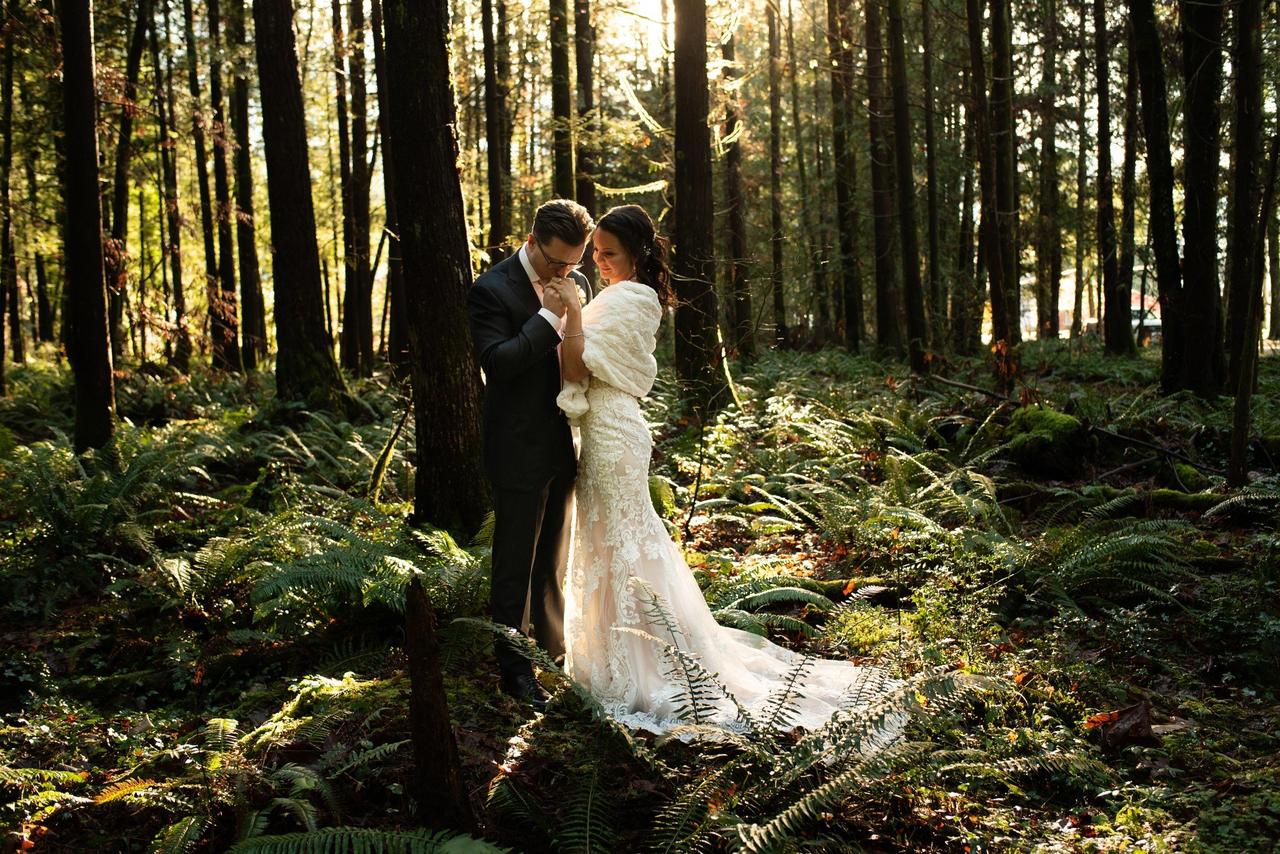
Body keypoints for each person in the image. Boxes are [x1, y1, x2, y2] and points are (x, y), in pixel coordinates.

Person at [548, 205, 904, 735]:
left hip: (613, 434)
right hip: (602, 430)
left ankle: (647, 665)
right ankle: (611, 658)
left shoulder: (634, 298)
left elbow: (575, 365)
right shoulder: (616, 295)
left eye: (610, 253)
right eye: (595, 251)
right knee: (609, 543)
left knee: (623, 545)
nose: (598, 261)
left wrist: (571, 315)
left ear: (637, 255)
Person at [466, 199, 594, 709]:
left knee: (552, 564)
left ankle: (554, 657)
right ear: (531, 241)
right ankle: (515, 672)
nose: (567, 273)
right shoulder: (491, 290)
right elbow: (498, 364)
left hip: (564, 444)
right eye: (557, 262)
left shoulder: (578, 286)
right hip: (516, 446)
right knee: (514, 566)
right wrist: (549, 315)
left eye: (575, 263)